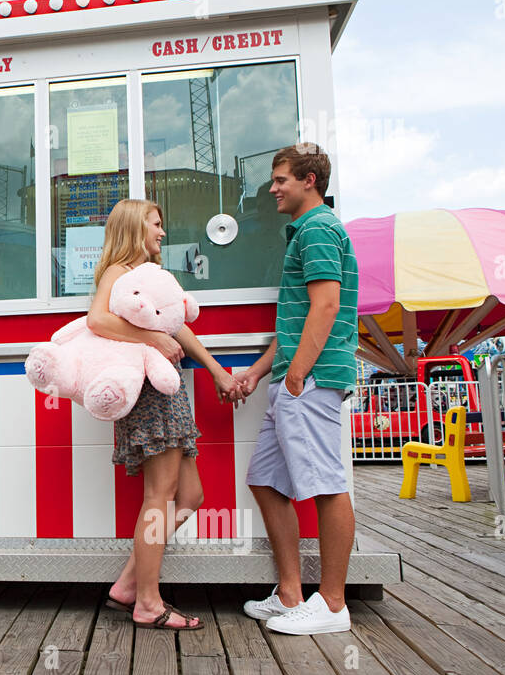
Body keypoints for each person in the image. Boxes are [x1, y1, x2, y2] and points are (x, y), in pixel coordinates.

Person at [86, 199, 239, 630]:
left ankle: (128, 585)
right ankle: (148, 603)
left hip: (168, 396)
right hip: (151, 395)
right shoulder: (119, 272)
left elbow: (178, 327)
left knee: (189, 497)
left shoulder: (147, 276)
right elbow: (96, 320)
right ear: (136, 228)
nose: (162, 233)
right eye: (156, 225)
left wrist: (215, 371)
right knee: (159, 498)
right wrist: (152, 338)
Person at [232, 143, 359, 634]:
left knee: (326, 486)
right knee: (265, 479)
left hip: (313, 380)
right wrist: (263, 370)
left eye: (281, 178)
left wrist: (299, 373)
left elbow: (326, 306)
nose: (272, 188)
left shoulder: (320, 229)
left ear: (310, 179)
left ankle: (331, 605)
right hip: (296, 378)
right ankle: (290, 595)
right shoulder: (305, 231)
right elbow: (298, 321)